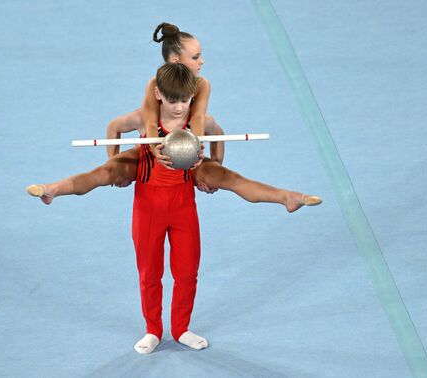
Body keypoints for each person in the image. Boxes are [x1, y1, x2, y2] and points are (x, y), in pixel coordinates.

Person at [26, 22, 321, 212]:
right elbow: (135, 125)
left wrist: (210, 165)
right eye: (196, 57)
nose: (202, 61)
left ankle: (284, 197)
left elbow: (205, 121)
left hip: (188, 155)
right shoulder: (154, 88)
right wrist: (115, 162)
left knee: (231, 179)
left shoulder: (202, 85)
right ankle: (54, 189)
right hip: (153, 156)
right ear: (176, 61)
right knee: (103, 174)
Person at [133, 62, 206, 354]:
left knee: (187, 271)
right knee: (150, 273)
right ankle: (153, 329)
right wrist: (116, 168)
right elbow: (113, 128)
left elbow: (219, 133)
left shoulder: (197, 123)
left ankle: (181, 328)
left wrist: (211, 169)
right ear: (159, 94)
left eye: (186, 100)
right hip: (148, 207)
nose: (179, 107)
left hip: (183, 205)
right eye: (173, 100)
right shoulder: (143, 121)